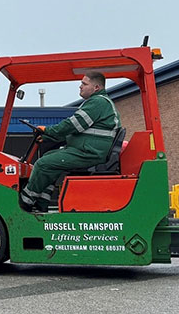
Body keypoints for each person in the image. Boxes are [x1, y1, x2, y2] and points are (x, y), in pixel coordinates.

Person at [19, 71, 121, 212]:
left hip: (89, 152)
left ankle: (25, 202)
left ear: (96, 88)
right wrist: (48, 137)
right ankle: (41, 203)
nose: (80, 87)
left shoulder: (98, 102)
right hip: (87, 149)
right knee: (49, 159)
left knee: (43, 164)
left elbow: (72, 125)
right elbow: (76, 131)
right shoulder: (97, 103)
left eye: (84, 84)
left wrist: (48, 130)